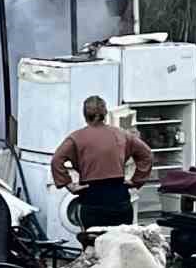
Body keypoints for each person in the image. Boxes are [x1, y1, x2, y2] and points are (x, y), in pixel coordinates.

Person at [50, 95, 154, 233]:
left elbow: (56, 160)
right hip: (119, 197)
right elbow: (147, 155)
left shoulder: (76, 138)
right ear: (105, 114)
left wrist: (69, 184)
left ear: (85, 115)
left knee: (94, 243)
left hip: (92, 197)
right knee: (121, 242)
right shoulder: (121, 134)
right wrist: (136, 180)